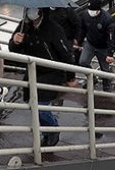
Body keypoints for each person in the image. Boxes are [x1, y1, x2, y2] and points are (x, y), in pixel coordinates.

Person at [8, 8, 77, 147]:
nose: (30, 13)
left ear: (41, 12)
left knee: (41, 106)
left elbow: (66, 54)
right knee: (33, 106)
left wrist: (71, 77)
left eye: (34, 10)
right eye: (28, 10)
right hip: (33, 71)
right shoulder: (24, 26)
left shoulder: (54, 29)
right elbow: (13, 49)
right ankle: (46, 133)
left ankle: (53, 129)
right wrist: (15, 42)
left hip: (52, 72)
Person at [78, 0, 115, 92]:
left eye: (93, 10)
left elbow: (112, 38)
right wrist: (79, 42)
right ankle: (92, 77)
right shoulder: (85, 15)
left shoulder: (107, 19)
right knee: (83, 62)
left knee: (105, 70)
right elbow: (83, 29)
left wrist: (110, 53)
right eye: (89, 9)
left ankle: (107, 88)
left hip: (103, 47)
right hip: (90, 44)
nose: (91, 12)